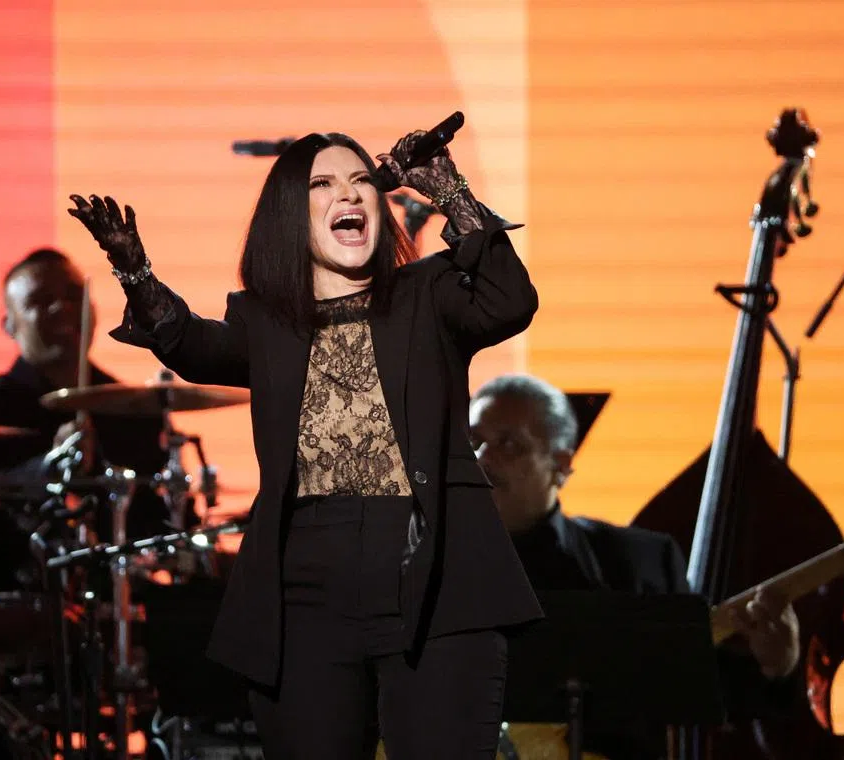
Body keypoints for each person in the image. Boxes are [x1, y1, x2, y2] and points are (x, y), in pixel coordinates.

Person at [67, 127, 544, 759]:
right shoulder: (266, 323)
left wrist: (445, 186)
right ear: (292, 215)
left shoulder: (425, 295)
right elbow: (189, 343)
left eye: (361, 182)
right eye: (323, 184)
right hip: (304, 600)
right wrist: (135, 269)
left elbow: (509, 302)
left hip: (436, 584)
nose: (348, 194)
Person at [468, 373, 803, 759]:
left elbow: (707, 691)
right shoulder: (416, 566)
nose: (481, 459)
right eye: (473, 443)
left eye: (508, 444)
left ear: (560, 464)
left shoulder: (639, 561)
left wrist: (778, 665)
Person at [0, 248, 169, 539]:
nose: (61, 307)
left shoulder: (136, 409)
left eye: (74, 295)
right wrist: (53, 466)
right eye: (39, 300)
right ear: (10, 326)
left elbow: (165, 518)